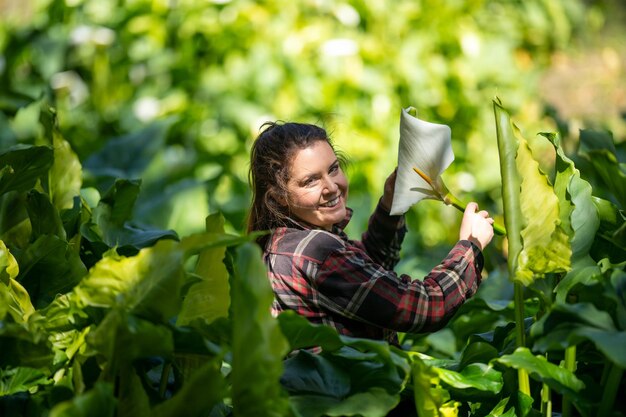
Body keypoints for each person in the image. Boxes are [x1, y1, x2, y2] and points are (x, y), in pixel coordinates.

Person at [247, 121, 494, 345]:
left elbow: (363, 279)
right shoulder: (315, 252)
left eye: (333, 169)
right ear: (278, 197)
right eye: (311, 181)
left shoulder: (282, 242)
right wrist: (470, 247)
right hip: (349, 395)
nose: (331, 187)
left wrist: (391, 206)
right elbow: (424, 308)